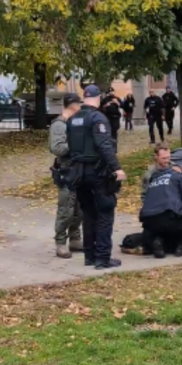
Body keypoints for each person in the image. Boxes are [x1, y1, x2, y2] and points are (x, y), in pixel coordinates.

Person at [67, 85, 127, 269]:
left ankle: (90, 256)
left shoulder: (73, 119)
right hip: (96, 172)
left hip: (78, 173)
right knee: (104, 213)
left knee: (89, 214)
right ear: (98, 98)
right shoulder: (98, 118)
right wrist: (116, 168)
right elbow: (104, 145)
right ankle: (102, 258)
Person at [139, 145, 182, 258]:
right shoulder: (150, 175)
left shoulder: (177, 169)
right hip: (162, 213)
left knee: (169, 220)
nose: (167, 161)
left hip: (154, 216)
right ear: (156, 157)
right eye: (164, 158)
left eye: (169, 157)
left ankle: (158, 241)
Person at [49, 93, 85, 259]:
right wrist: (74, 144)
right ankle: (61, 242)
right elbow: (56, 148)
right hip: (67, 171)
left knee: (79, 208)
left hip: (79, 170)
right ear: (72, 104)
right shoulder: (59, 124)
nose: (81, 107)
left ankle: (75, 238)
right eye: (79, 104)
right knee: (66, 208)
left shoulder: (75, 123)